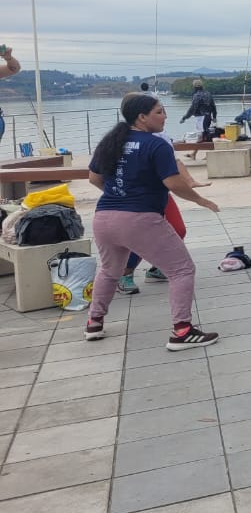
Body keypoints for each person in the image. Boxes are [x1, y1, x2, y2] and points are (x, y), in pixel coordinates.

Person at [83, 94, 220, 350]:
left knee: (109, 270)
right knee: (182, 270)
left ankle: (94, 322)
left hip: (104, 217)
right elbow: (173, 183)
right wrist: (201, 200)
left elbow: (94, 178)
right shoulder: (156, 145)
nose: (165, 116)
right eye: (159, 111)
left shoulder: (110, 141)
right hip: (140, 218)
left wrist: (119, 196)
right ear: (142, 117)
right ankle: (182, 331)